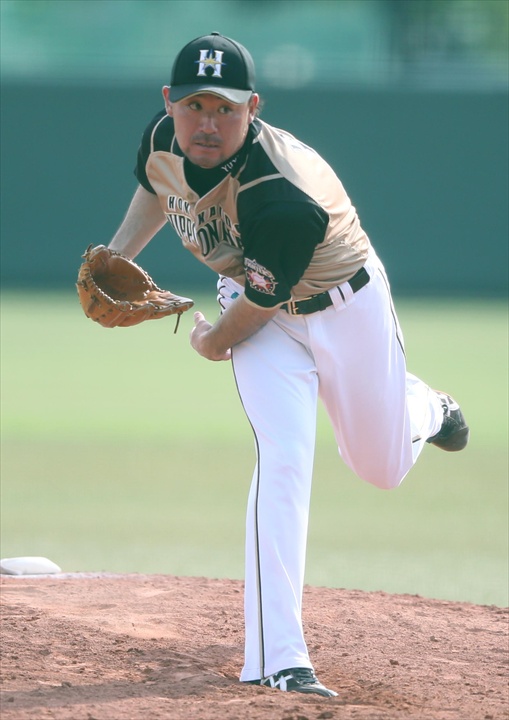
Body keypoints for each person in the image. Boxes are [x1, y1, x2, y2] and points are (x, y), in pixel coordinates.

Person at [108, 32, 469, 698]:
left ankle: (424, 406)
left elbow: (256, 308)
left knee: (381, 467)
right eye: (193, 106)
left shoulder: (281, 193)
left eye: (224, 108)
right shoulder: (163, 137)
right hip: (258, 306)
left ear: (253, 108)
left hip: (340, 306)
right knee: (284, 458)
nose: (206, 123)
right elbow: (160, 188)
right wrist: (115, 258)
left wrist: (210, 344)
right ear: (169, 102)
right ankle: (280, 658)